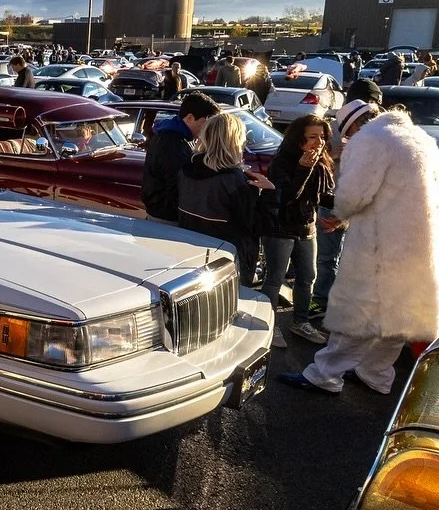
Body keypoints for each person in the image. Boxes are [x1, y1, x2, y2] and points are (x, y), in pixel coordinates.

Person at [278, 103, 439, 395]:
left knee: (358, 310)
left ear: (354, 128)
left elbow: (355, 193)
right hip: (421, 242)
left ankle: (324, 374)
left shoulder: (372, 140)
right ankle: (376, 373)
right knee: (399, 312)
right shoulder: (421, 139)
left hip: (380, 241)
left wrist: (339, 214)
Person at [260, 115, 336, 349]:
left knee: (307, 278)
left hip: (307, 228)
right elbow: (287, 197)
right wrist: (303, 168)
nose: (319, 142)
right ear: (298, 139)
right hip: (280, 228)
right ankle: (268, 327)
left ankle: (300, 321)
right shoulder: (282, 162)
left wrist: (345, 210)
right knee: (274, 279)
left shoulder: (321, 163)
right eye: (313, 137)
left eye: (322, 137)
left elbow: (322, 196)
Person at [177, 113, 273, 285]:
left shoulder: (186, 170)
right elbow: (258, 225)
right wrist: (270, 193)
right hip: (229, 259)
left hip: (191, 252)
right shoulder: (235, 180)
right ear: (234, 140)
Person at [308, 99, 378, 321]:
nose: (353, 133)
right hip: (334, 203)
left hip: (353, 208)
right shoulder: (333, 134)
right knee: (328, 257)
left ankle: (334, 303)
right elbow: (312, 159)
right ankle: (322, 301)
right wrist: (334, 155)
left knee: (347, 259)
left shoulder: (377, 143)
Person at [140, 93, 220, 224]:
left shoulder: (180, 137)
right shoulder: (171, 141)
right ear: (190, 118)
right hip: (166, 217)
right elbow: (178, 184)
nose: (208, 128)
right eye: (206, 122)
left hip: (165, 212)